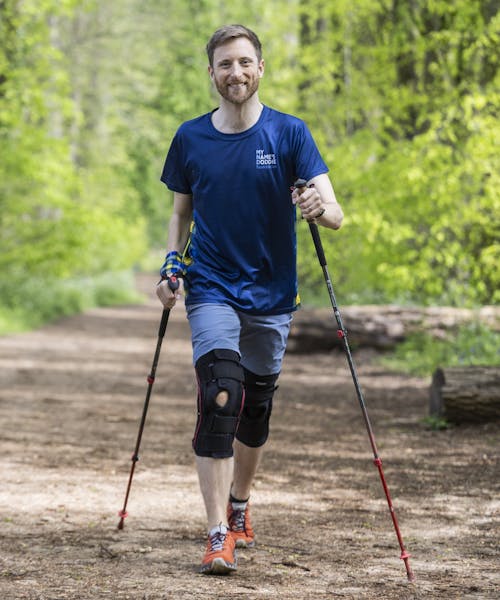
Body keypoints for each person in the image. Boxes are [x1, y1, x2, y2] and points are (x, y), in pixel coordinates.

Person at [156, 24, 343, 575]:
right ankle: (217, 532)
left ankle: (239, 503)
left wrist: (316, 207)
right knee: (221, 396)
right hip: (211, 284)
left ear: (260, 68)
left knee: (255, 410)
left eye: (244, 62)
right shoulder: (191, 138)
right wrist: (172, 264)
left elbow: (334, 213)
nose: (234, 73)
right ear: (211, 73)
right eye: (223, 64)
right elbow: (180, 212)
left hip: (272, 293)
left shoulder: (289, 134)